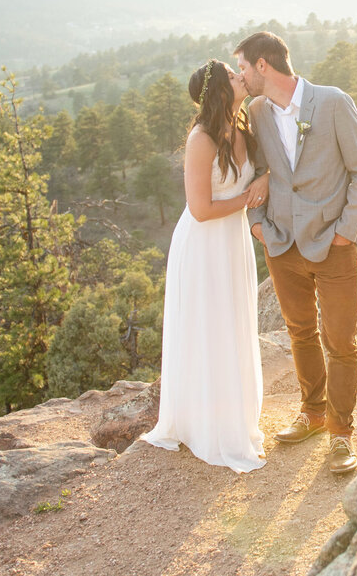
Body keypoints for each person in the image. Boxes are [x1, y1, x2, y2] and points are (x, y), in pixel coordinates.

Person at [234, 31, 357, 475]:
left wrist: (345, 233)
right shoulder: (255, 112)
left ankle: (340, 434)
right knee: (300, 333)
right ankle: (313, 414)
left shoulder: (332, 102)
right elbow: (253, 170)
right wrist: (257, 225)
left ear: (262, 65)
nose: (240, 76)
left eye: (242, 67)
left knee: (341, 342)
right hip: (280, 244)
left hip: (332, 245)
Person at [140, 59, 270, 473]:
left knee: (232, 325)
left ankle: (234, 418)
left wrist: (262, 179)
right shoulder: (201, 139)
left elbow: (259, 170)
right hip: (203, 246)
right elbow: (199, 209)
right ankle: (208, 426)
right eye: (233, 75)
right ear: (218, 90)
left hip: (232, 243)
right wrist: (249, 197)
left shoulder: (243, 125)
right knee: (210, 328)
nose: (241, 76)